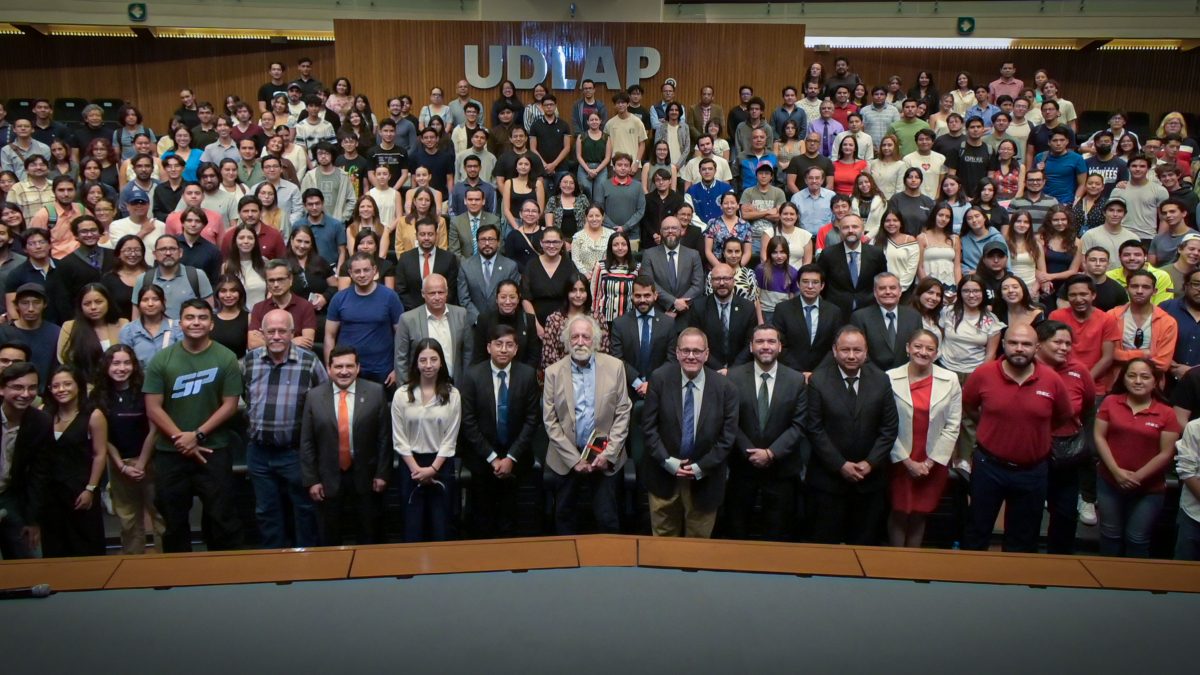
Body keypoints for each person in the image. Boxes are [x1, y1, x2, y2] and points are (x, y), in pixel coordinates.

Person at [143, 299, 243, 553]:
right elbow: (153, 407)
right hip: (170, 452)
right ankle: (179, 578)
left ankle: (224, 578)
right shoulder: (162, 360)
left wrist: (197, 435)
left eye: (201, 317)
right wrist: (181, 438)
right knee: (173, 521)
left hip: (214, 450)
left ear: (211, 323)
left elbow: (230, 405)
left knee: (222, 519)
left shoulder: (226, 357)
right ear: (180, 323)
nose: (195, 322)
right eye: (189, 317)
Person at [962, 324, 1072, 552]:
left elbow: (1062, 417)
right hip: (988, 466)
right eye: (1013, 343)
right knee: (976, 531)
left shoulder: (1051, 379)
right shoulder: (983, 374)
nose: (1019, 348)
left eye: (1026, 344)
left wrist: (1032, 429)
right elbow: (970, 406)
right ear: (1004, 344)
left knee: (1023, 539)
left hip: (1032, 471)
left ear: (1037, 347)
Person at [641, 327, 738, 538]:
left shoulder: (725, 388)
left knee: (697, 547)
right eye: (685, 350)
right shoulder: (659, 379)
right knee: (663, 546)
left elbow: (727, 438)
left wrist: (700, 467)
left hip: (705, 479)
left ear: (707, 354)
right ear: (676, 353)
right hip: (663, 475)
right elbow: (648, 428)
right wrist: (668, 462)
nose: (691, 356)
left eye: (696, 350)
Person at [242, 309, 327, 549]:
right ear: (262, 333)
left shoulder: (309, 362)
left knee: (304, 510)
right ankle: (274, 565)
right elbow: (244, 398)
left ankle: (306, 565)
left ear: (292, 333)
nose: (277, 336)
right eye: (271, 331)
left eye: (282, 331)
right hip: (259, 453)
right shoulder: (250, 361)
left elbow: (324, 403)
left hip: (295, 453)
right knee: (266, 512)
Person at [807, 325, 899, 545]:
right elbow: (814, 428)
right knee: (825, 547)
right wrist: (841, 465)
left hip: (869, 481)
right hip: (828, 481)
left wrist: (870, 463)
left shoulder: (881, 380)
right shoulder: (818, 381)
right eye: (845, 350)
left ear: (866, 352)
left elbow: (889, 428)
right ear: (834, 350)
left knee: (865, 546)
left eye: (857, 350)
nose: (851, 355)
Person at [543, 315, 631, 535]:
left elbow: (623, 412)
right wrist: (574, 460)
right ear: (567, 341)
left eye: (585, 336)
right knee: (564, 520)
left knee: (607, 520)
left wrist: (608, 454)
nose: (580, 341)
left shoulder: (615, 367)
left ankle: (610, 567)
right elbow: (550, 421)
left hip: (605, 459)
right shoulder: (553, 372)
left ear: (596, 340)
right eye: (574, 337)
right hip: (566, 459)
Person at [724, 324, 809, 541]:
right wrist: (750, 452)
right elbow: (729, 422)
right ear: (751, 347)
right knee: (737, 530)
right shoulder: (732, 378)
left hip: (781, 468)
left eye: (771, 342)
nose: (766, 347)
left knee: (778, 533)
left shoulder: (796, 380)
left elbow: (799, 425)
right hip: (742, 467)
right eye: (760, 342)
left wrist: (771, 453)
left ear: (780, 347)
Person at [299, 346, 390, 546]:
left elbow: (384, 438)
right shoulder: (313, 397)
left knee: (369, 532)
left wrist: (382, 473)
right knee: (330, 535)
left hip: (366, 476)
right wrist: (311, 480)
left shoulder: (375, 392)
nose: (344, 371)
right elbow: (307, 441)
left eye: (349, 365)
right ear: (329, 369)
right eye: (338, 366)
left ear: (358, 368)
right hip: (328, 478)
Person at [459, 324, 540, 538]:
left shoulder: (527, 375)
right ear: (488, 347)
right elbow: (468, 422)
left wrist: (510, 458)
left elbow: (532, 421)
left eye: (509, 345)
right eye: (498, 344)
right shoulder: (473, 376)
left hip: (517, 459)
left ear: (516, 349)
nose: (503, 350)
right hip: (482, 459)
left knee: (512, 519)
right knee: (483, 521)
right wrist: (493, 458)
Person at [1094, 358, 1181, 558]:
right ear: (1123, 379)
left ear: (1156, 381)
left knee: (1137, 538)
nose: (1138, 381)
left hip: (1149, 490)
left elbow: (1167, 453)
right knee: (1110, 535)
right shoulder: (1110, 402)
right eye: (1132, 375)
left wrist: (1136, 477)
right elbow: (1099, 437)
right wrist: (1117, 473)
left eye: (1144, 376)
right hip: (1109, 482)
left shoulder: (1167, 413)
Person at [886, 329, 961, 548]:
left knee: (921, 512)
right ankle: (895, 564)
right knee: (899, 510)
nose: (923, 352)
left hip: (932, 459)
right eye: (918, 346)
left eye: (930, 348)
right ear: (908, 347)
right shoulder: (889, 378)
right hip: (899, 458)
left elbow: (953, 424)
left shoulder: (950, 379)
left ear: (937, 353)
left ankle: (912, 563)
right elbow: (885, 425)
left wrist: (929, 462)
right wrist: (907, 462)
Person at [91, 344, 165, 554]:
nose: (121, 368)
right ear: (106, 366)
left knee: (159, 516)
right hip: (118, 465)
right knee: (128, 520)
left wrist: (141, 463)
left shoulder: (146, 391)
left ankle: (167, 565)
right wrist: (122, 466)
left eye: (126, 363)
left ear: (134, 365)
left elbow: (154, 429)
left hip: (150, 462)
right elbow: (102, 438)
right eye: (115, 363)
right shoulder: (98, 395)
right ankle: (133, 567)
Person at [1033, 320, 1097, 555]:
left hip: (1065, 455)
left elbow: (1089, 408)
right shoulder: (1025, 368)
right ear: (1038, 344)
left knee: (1065, 516)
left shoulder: (1079, 371)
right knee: (1027, 515)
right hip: (1031, 455)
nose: (1064, 348)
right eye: (1057, 342)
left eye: (1068, 343)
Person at [38, 366, 107, 558]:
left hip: (80, 490)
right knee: (54, 546)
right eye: (56, 386)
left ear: (78, 386)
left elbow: (100, 454)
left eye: (67, 384)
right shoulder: (43, 413)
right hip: (50, 492)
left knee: (85, 544)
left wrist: (90, 489)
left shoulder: (94, 415)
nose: (61, 389)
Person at [325, 252, 405, 387]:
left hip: (382, 370)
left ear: (374, 271)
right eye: (357, 271)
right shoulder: (339, 298)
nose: (362, 275)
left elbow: (402, 335)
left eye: (366, 270)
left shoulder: (390, 297)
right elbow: (329, 336)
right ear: (350, 273)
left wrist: (398, 368)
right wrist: (330, 367)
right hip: (347, 369)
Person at [0, 362, 52, 558]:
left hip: (12, 497)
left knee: (31, 558)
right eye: (18, 387)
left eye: (31, 387)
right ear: (2, 389)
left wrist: (33, 520)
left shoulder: (40, 422)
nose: (25, 394)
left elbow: (40, 475)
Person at [1107, 269, 1178, 381]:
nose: (1139, 291)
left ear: (1154, 291)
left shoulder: (1167, 322)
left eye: (1145, 287)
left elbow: (1163, 364)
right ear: (1126, 289)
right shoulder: (1112, 316)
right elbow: (1108, 354)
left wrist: (1123, 356)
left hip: (1151, 384)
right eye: (1134, 286)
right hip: (1115, 381)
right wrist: (1143, 354)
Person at [772, 263, 841, 374]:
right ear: (798, 284)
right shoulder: (783, 309)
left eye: (815, 282)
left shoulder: (834, 312)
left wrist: (817, 373)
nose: (810, 286)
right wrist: (800, 372)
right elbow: (779, 344)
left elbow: (836, 346)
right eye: (805, 281)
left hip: (824, 373)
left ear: (822, 286)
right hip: (791, 373)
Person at [850, 272, 923, 371]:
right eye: (882, 288)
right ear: (875, 292)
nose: (888, 292)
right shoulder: (860, 317)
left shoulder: (914, 316)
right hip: (872, 377)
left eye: (893, 288)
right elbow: (858, 351)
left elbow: (918, 348)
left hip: (907, 376)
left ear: (900, 291)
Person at [56, 282, 127, 379]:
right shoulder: (69, 327)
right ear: (80, 306)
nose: (93, 307)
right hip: (83, 385)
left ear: (108, 302)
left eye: (99, 302)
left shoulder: (123, 324)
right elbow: (64, 360)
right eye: (87, 304)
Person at [818, 215, 885, 316]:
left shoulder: (876, 253)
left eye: (855, 227)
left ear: (862, 230)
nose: (850, 230)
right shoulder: (828, 254)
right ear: (840, 232)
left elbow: (881, 281)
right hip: (836, 311)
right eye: (845, 227)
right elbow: (821, 283)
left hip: (869, 310)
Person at [640, 217, 703, 323]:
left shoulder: (693, 255)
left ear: (681, 231)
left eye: (674, 228)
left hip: (687, 314)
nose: (670, 231)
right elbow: (649, 284)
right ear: (660, 232)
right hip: (659, 314)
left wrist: (679, 305)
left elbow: (698, 285)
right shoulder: (649, 254)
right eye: (666, 228)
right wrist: (673, 302)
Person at [457, 224, 519, 326]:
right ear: (477, 242)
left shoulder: (510, 266)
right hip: (474, 325)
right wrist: (480, 320)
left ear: (498, 242)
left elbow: (513, 298)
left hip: (503, 325)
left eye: (491, 239)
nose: (487, 243)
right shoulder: (466, 266)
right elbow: (464, 299)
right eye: (483, 240)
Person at [0, 283, 61, 385]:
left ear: (44, 304)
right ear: (16, 305)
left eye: (36, 302)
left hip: (47, 393)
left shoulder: (56, 333)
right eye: (24, 303)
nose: (31, 309)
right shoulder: (3, 332)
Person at [471, 280, 539, 369]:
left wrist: (524, 377)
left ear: (518, 299)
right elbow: (479, 356)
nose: (508, 302)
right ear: (496, 299)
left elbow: (533, 356)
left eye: (512, 297)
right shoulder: (485, 319)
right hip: (490, 375)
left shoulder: (528, 320)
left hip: (521, 376)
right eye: (503, 297)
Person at [119, 284, 183, 368]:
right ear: (139, 304)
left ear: (163, 302)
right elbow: (126, 361)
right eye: (145, 300)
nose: (150, 304)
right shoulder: (129, 330)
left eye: (155, 299)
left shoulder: (177, 327)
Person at [1109, 156, 1167, 244]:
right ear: (1128, 168)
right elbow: (1111, 216)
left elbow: (1164, 219)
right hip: (1121, 236)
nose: (1138, 169)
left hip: (1147, 237)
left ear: (1148, 168)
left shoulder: (1160, 190)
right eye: (1134, 166)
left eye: (1142, 166)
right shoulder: (1118, 190)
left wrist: (1158, 242)